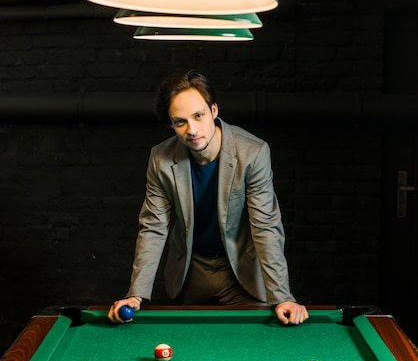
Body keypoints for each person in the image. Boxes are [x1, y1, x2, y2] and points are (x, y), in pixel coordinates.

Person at [108, 70, 308, 326]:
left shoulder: (253, 153)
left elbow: (266, 227)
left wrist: (282, 296)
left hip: (242, 274)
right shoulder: (161, 158)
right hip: (191, 273)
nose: (192, 130)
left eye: (198, 116)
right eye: (180, 122)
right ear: (171, 124)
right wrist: (135, 295)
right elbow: (153, 227)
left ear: (214, 110)